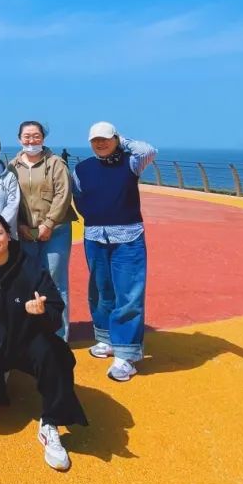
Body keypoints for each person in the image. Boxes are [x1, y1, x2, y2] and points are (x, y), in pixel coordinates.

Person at [0, 210, 88, 471]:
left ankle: (50, 423)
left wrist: (43, 312)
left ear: (8, 235)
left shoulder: (30, 267)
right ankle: (0, 382)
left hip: (27, 341)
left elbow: (56, 309)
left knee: (56, 354)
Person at [71, 121, 157, 382]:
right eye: (95, 140)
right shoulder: (82, 168)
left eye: (106, 138)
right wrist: (95, 217)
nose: (100, 143)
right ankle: (107, 339)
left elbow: (148, 150)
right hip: (95, 236)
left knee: (129, 293)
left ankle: (126, 355)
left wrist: (123, 141)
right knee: (100, 290)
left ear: (116, 139)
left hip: (128, 237)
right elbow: (79, 198)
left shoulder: (131, 163)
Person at [10, 120, 76, 341]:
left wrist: (49, 223)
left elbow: (63, 194)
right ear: (19, 139)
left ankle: (59, 337)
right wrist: (19, 225)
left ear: (43, 138)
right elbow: (10, 197)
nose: (31, 140)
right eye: (27, 136)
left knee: (56, 282)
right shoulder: (12, 166)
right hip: (25, 232)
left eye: (36, 136)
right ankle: (33, 334)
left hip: (56, 231)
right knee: (28, 282)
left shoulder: (56, 163)